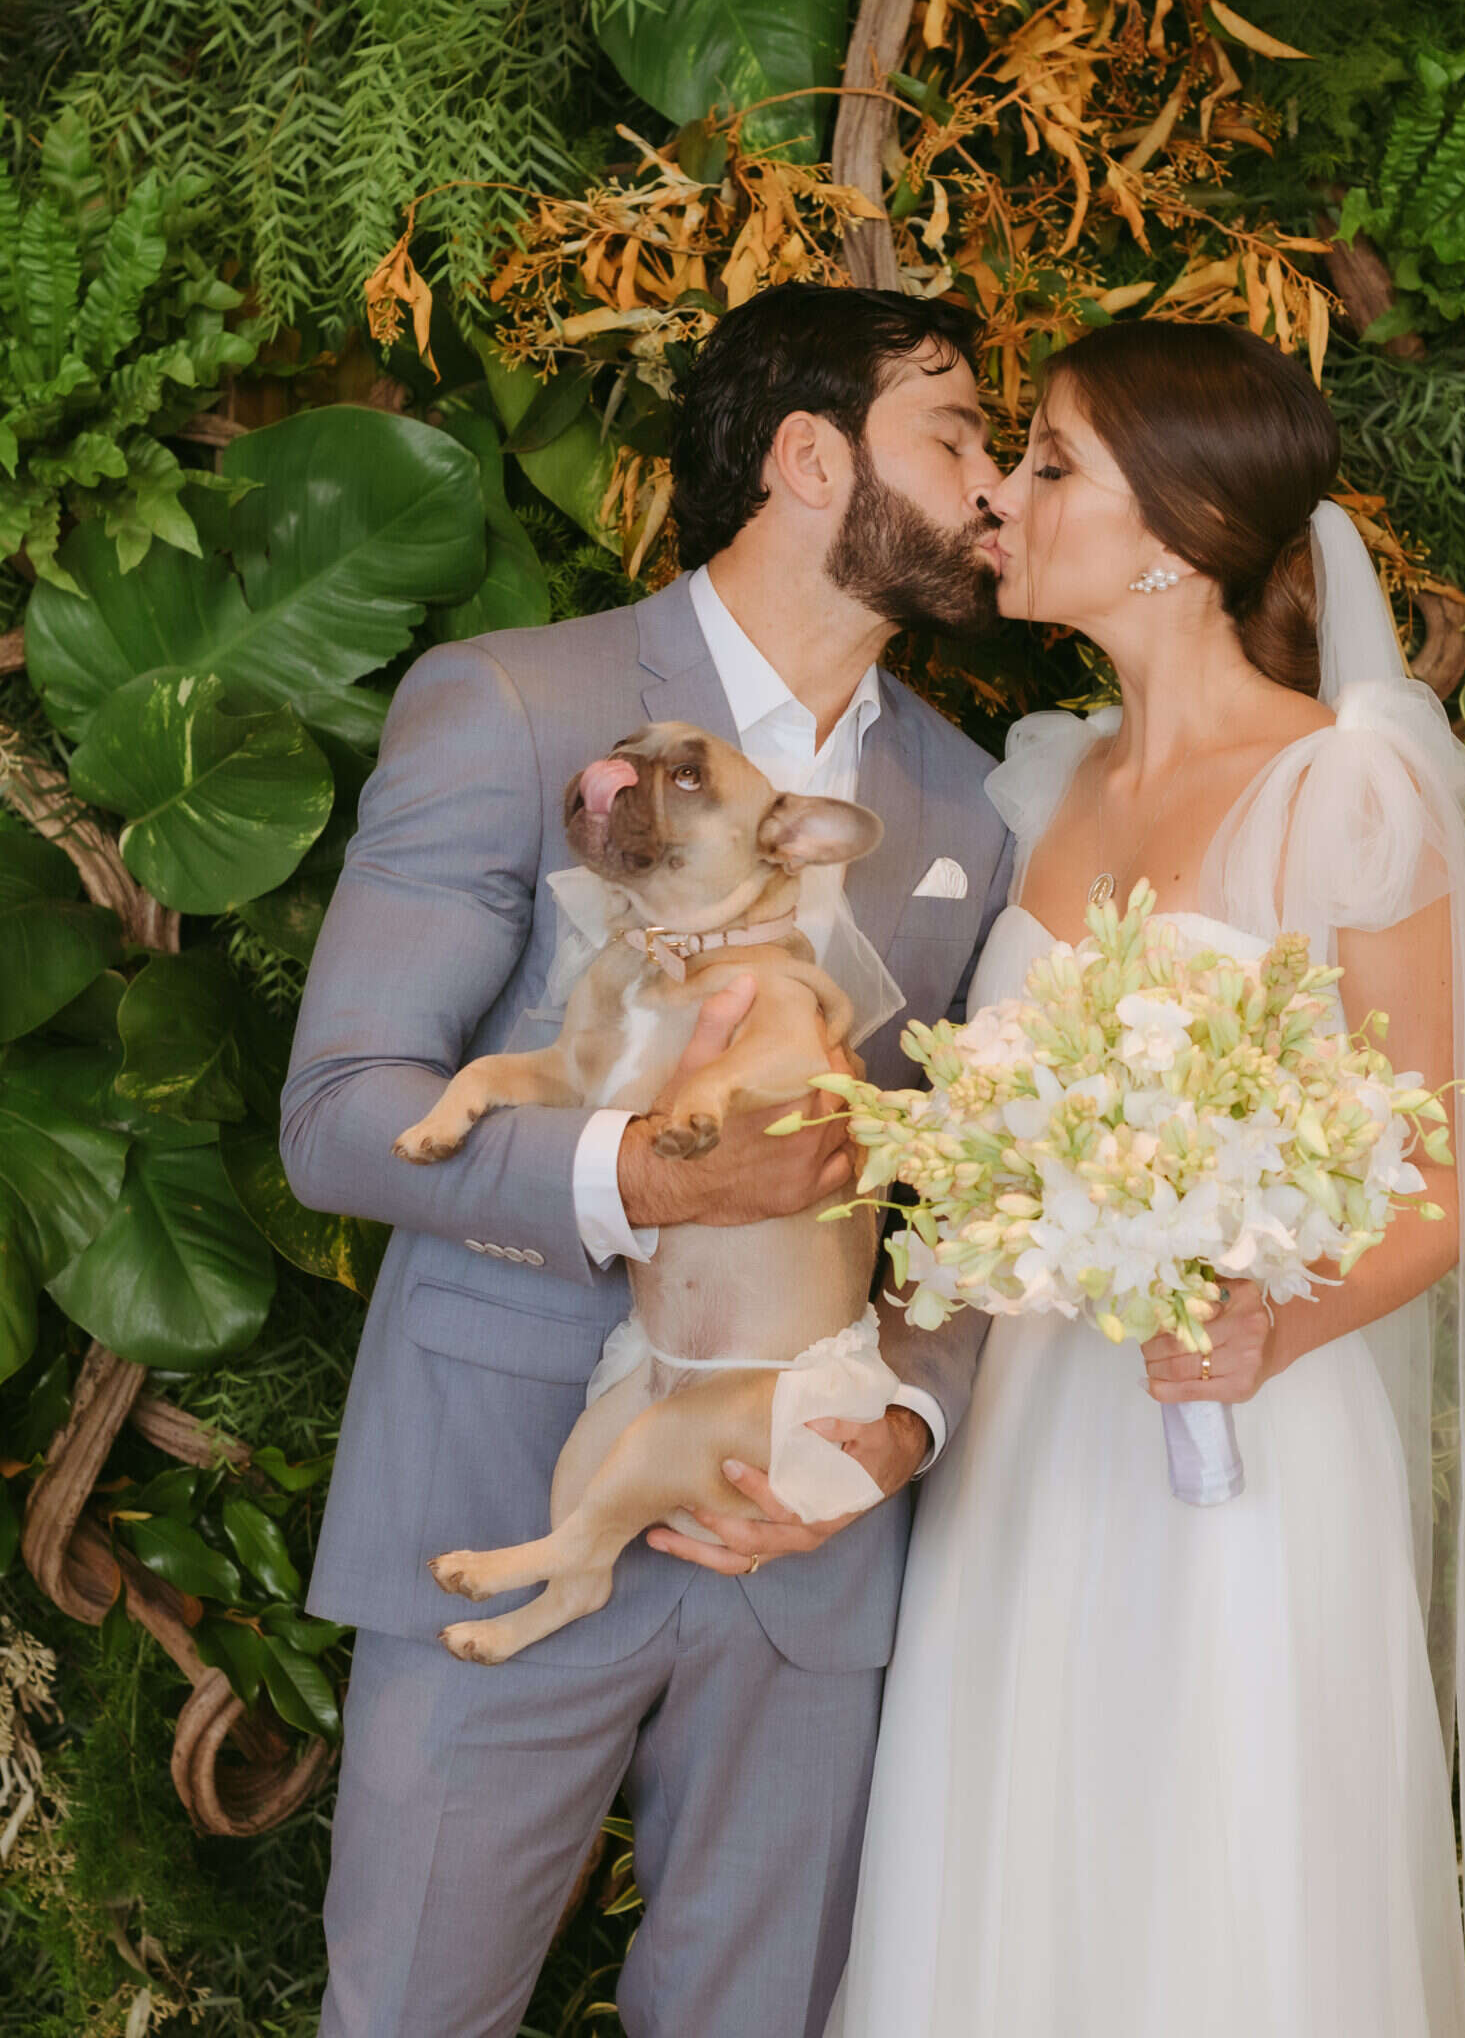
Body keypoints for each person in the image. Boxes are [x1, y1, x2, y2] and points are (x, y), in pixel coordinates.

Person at [280, 286, 1013, 2038]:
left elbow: (978, 1188)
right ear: (811, 458)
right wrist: (656, 1181)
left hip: (800, 1543)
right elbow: (344, 1113)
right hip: (498, 1492)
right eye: (958, 437)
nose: (995, 487)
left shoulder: (972, 805)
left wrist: (903, 1422)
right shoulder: (516, 705)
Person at [831, 319, 1465, 2038]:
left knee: (1213, 1880)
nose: (1000, 496)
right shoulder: (1046, 779)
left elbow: (1440, 1182)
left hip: (1240, 1443)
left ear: (1176, 532)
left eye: (1049, 465)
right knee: (1014, 1867)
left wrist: (1260, 1330)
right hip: (1024, 1437)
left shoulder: (1340, 788)